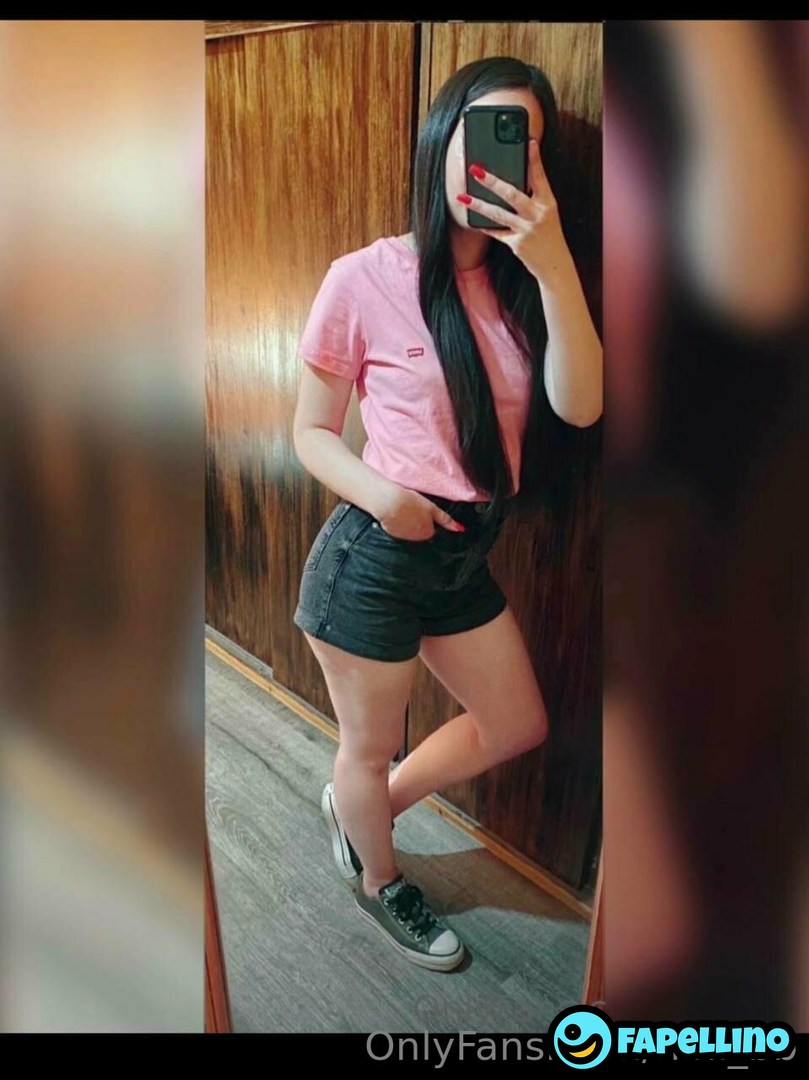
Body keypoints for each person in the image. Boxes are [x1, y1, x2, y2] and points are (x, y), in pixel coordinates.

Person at [292, 56, 602, 972]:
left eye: (523, 141)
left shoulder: (527, 286)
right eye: (485, 131)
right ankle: (380, 879)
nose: (501, 157)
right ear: (441, 138)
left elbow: (581, 407)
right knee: (368, 745)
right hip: (376, 555)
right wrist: (387, 497)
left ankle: (363, 813)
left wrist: (552, 265)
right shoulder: (364, 276)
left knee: (515, 723)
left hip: (465, 557)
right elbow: (309, 433)